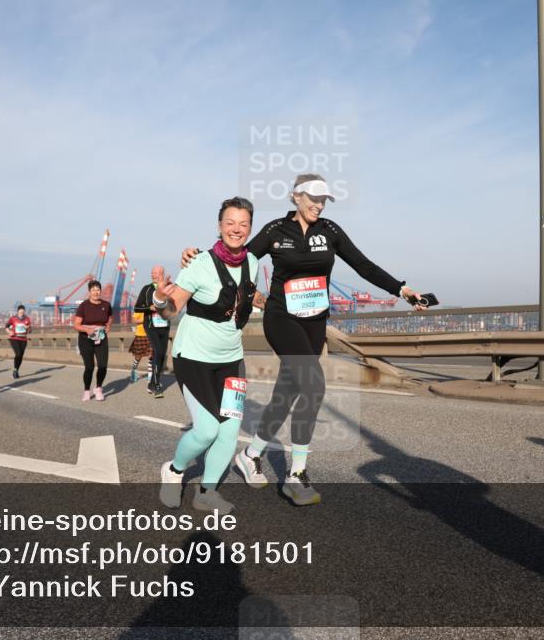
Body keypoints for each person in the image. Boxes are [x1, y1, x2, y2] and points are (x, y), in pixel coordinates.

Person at [181, 174, 428, 506]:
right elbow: (233, 255)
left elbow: (363, 265)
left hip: (314, 323)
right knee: (314, 387)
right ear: (295, 197)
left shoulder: (331, 231)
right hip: (281, 318)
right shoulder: (274, 231)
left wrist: (401, 289)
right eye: (313, 197)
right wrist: (196, 255)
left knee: (288, 391)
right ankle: (295, 476)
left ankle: (251, 455)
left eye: (324, 199)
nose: (319, 204)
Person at [159, 196, 262, 515]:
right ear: (219, 226)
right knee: (206, 429)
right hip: (194, 357)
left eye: (243, 224)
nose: (236, 229)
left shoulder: (254, 263)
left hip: (231, 358)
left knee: (229, 430)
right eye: (230, 222)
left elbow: (244, 301)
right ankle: (174, 471)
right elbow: (171, 308)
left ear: (249, 228)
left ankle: (207, 492)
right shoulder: (199, 263)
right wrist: (162, 300)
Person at [134, 266, 171, 397]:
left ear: (163, 274)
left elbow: (175, 304)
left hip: (165, 325)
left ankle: (154, 382)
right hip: (151, 325)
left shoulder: (169, 286)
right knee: (158, 352)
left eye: (156, 273)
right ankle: (155, 385)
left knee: (162, 354)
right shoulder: (147, 289)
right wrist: (149, 308)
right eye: (152, 272)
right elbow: (137, 307)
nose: (153, 275)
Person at [73, 281, 112, 401]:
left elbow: (110, 317)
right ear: (89, 292)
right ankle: (86, 391)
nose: (96, 292)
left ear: (100, 291)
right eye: (93, 290)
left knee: (103, 366)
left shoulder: (106, 304)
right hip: (86, 339)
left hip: (101, 337)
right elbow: (76, 325)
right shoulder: (83, 306)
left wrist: (108, 325)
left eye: (98, 290)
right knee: (89, 367)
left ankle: (98, 388)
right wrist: (86, 329)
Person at [5, 305, 32, 379]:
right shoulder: (13, 318)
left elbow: (30, 330)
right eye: (20, 312)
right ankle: (15, 370)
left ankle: (16, 370)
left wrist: (28, 328)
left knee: (20, 356)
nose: (21, 313)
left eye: (23, 312)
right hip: (14, 338)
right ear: (17, 312)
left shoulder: (27, 319)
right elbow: (6, 326)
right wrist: (9, 332)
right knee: (18, 353)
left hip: (23, 339)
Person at [127, 311, 152, 384]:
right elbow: (133, 320)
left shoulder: (153, 308)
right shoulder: (139, 308)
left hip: (151, 335)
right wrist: (145, 319)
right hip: (140, 335)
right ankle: (134, 369)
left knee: (151, 355)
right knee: (138, 356)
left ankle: (150, 378)